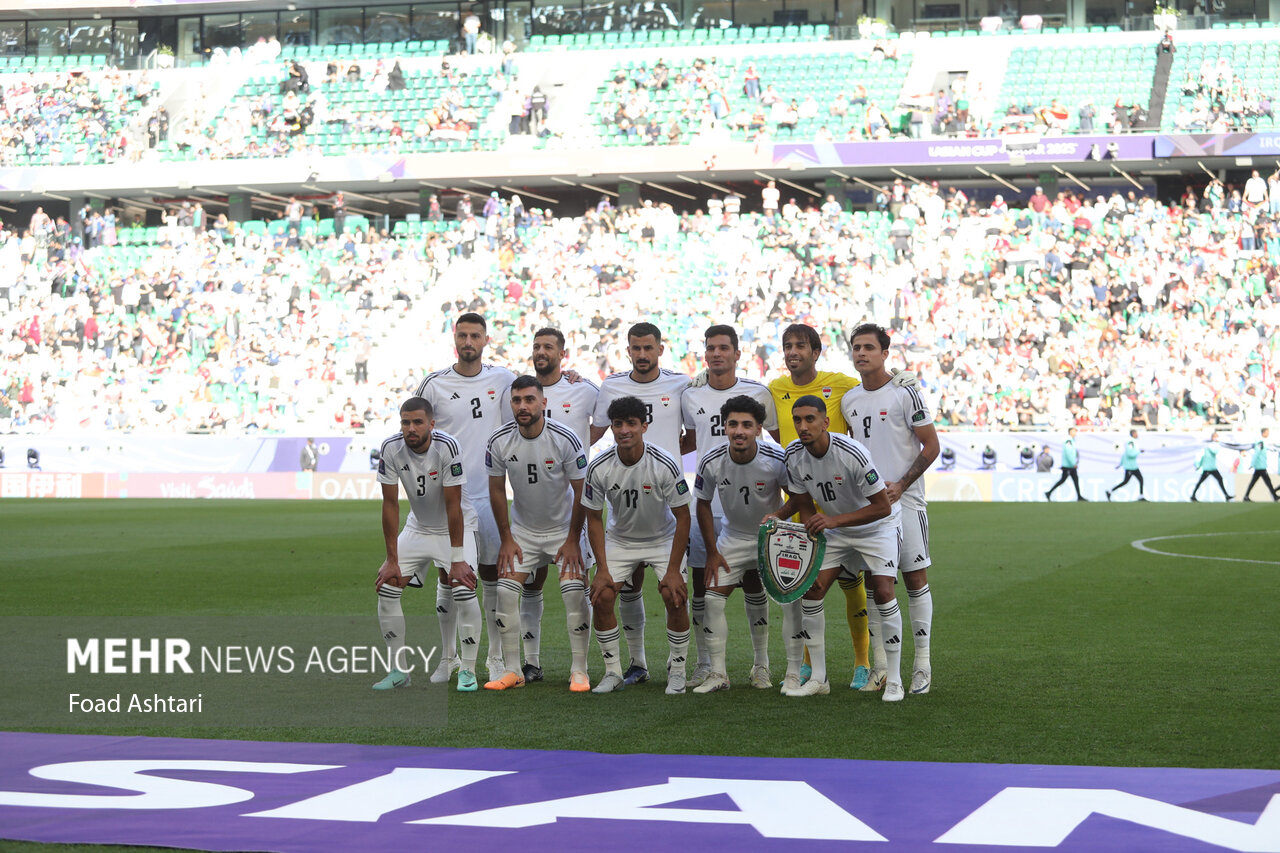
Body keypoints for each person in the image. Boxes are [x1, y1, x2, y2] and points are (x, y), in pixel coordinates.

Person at [767, 323, 913, 689]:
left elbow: (872, 385)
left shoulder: (842, 387)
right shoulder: (775, 394)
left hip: (858, 512)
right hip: (816, 512)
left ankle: (875, 667)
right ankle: (812, 671)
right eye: (787, 345)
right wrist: (783, 514)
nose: (793, 351)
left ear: (816, 352)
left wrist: (899, 380)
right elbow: (787, 467)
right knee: (808, 588)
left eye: (801, 345)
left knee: (869, 589)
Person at [415, 313, 517, 683]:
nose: (468, 341)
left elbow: (530, 405)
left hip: (489, 495)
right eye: (463, 335)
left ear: (486, 340)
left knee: (490, 576)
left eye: (475, 335)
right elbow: (419, 435)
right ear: (454, 339)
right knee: (449, 575)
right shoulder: (434, 384)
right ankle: (448, 658)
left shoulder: (503, 379)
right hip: (449, 499)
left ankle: (494, 658)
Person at [591, 322, 692, 685]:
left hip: (663, 515)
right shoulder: (610, 387)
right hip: (623, 529)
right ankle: (621, 670)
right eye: (636, 348)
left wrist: (660, 464)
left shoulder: (681, 384)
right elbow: (593, 429)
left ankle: (678, 670)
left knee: (675, 592)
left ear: (660, 349)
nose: (643, 354)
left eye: (649, 348)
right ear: (628, 350)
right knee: (608, 592)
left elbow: (693, 433)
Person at [841, 323, 939, 695]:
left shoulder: (906, 392)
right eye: (856, 348)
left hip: (907, 501)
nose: (861, 353)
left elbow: (930, 446)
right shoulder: (849, 399)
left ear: (885, 353)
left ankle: (923, 665)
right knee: (877, 585)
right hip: (870, 509)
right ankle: (882, 667)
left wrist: (901, 484)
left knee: (914, 579)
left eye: (869, 347)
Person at [680, 325, 779, 689]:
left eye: (724, 348)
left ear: (738, 353)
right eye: (711, 348)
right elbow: (689, 438)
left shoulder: (758, 392)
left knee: (755, 582)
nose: (717, 353)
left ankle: (761, 665)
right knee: (702, 583)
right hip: (707, 499)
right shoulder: (690, 394)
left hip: (749, 507)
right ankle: (706, 664)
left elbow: (779, 442)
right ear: (704, 354)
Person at [485, 376, 592, 691]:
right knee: (505, 592)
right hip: (523, 533)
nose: (522, 406)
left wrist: (573, 539)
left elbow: (582, 490)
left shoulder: (565, 438)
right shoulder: (499, 440)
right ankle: (513, 670)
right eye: (517, 400)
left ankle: (579, 671)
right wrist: (506, 537)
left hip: (563, 532)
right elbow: (495, 489)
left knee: (574, 592)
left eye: (529, 399)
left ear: (543, 403)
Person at [372, 397, 481, 693]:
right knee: (388, 586)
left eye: (418, 422)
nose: (411, 428)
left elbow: (454, 505)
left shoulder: (447, 447)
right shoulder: (391, 448)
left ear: (431, 423)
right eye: (405, 422)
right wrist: (391, 558)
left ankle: (467, 669)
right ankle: (398, 670)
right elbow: (390, 504)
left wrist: (457, 558)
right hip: (418, 528)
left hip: (455, 527)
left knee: (463, 587)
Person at [692, 395, 788, 692]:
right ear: (724, 427)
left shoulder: (775, 459)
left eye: (747, 424)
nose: (739, 430)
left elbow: (797, 496)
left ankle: (761, 666)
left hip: (769, 539)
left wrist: (778, 516)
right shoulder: (711, 460)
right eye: (733, 424)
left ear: (759, 428)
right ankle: (718, 674)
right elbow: (703, 504)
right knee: (711, 598)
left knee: (765, 595)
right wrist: (711, 551)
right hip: (732, 538)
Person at [1226, 428, 1276, 502]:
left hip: (1260, 465)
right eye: (1267, 432)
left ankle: (1246, 496)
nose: (1268, 434)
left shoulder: (1262, 442)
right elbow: (1257, 453)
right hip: (1260, 466)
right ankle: (1274, 496)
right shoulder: (1260, 442)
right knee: (1267, 482)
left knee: (1257, 482)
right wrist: (1252, 464)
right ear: (1264, 433)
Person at [1044, 427, 1086, 501]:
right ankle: (1049, 492)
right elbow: (1068, 453)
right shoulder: (1068, 441)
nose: (1075, 433)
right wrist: (1073, 463)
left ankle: (1079, 496)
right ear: (1070, 432)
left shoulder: (1072, 441)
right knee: (1063, 480)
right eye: (1074, 431)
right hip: (1068, 466)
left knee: (1075, 480)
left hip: (1070, 465)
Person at [1190, 431, 1233, 502]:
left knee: (1219, 479)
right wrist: (1218, 443)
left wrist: (1199, 466)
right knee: (1202, 481)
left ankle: (1226, 495)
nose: (1217, 438)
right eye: (1216, 436)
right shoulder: (1210, 445)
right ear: (1213, 437)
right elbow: (1214, 452)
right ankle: (1193, 495)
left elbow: (1204, 457)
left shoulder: (1210, 445)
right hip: (1208, 468)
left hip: (1212, 468)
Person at [1106, 429, 1147, 501]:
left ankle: (1141, 495)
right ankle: (1110, 491)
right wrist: (1139, 451)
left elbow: (1125, 454)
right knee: (1125, 481)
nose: (1137, 435)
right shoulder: (1130, 442)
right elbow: (1129, 454)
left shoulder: (1133, 442)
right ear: (1133, 434)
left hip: (1133, 466)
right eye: (1136, 433)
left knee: (1141, 479)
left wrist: (1120, 464)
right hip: (1130, 466)